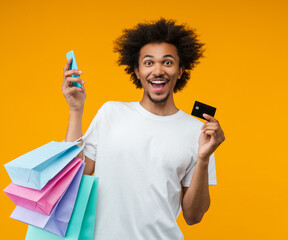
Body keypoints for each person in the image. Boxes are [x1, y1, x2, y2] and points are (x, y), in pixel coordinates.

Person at [62, 18, 225, 240]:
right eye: (149, 63)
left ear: (180, 71)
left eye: (167, 62)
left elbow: (193, 216)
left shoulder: (199, 132)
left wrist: (204, 159)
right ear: (137, 71)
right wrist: (75, 110)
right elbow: (74, 176)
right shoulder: (111, 112)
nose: (158, 70)